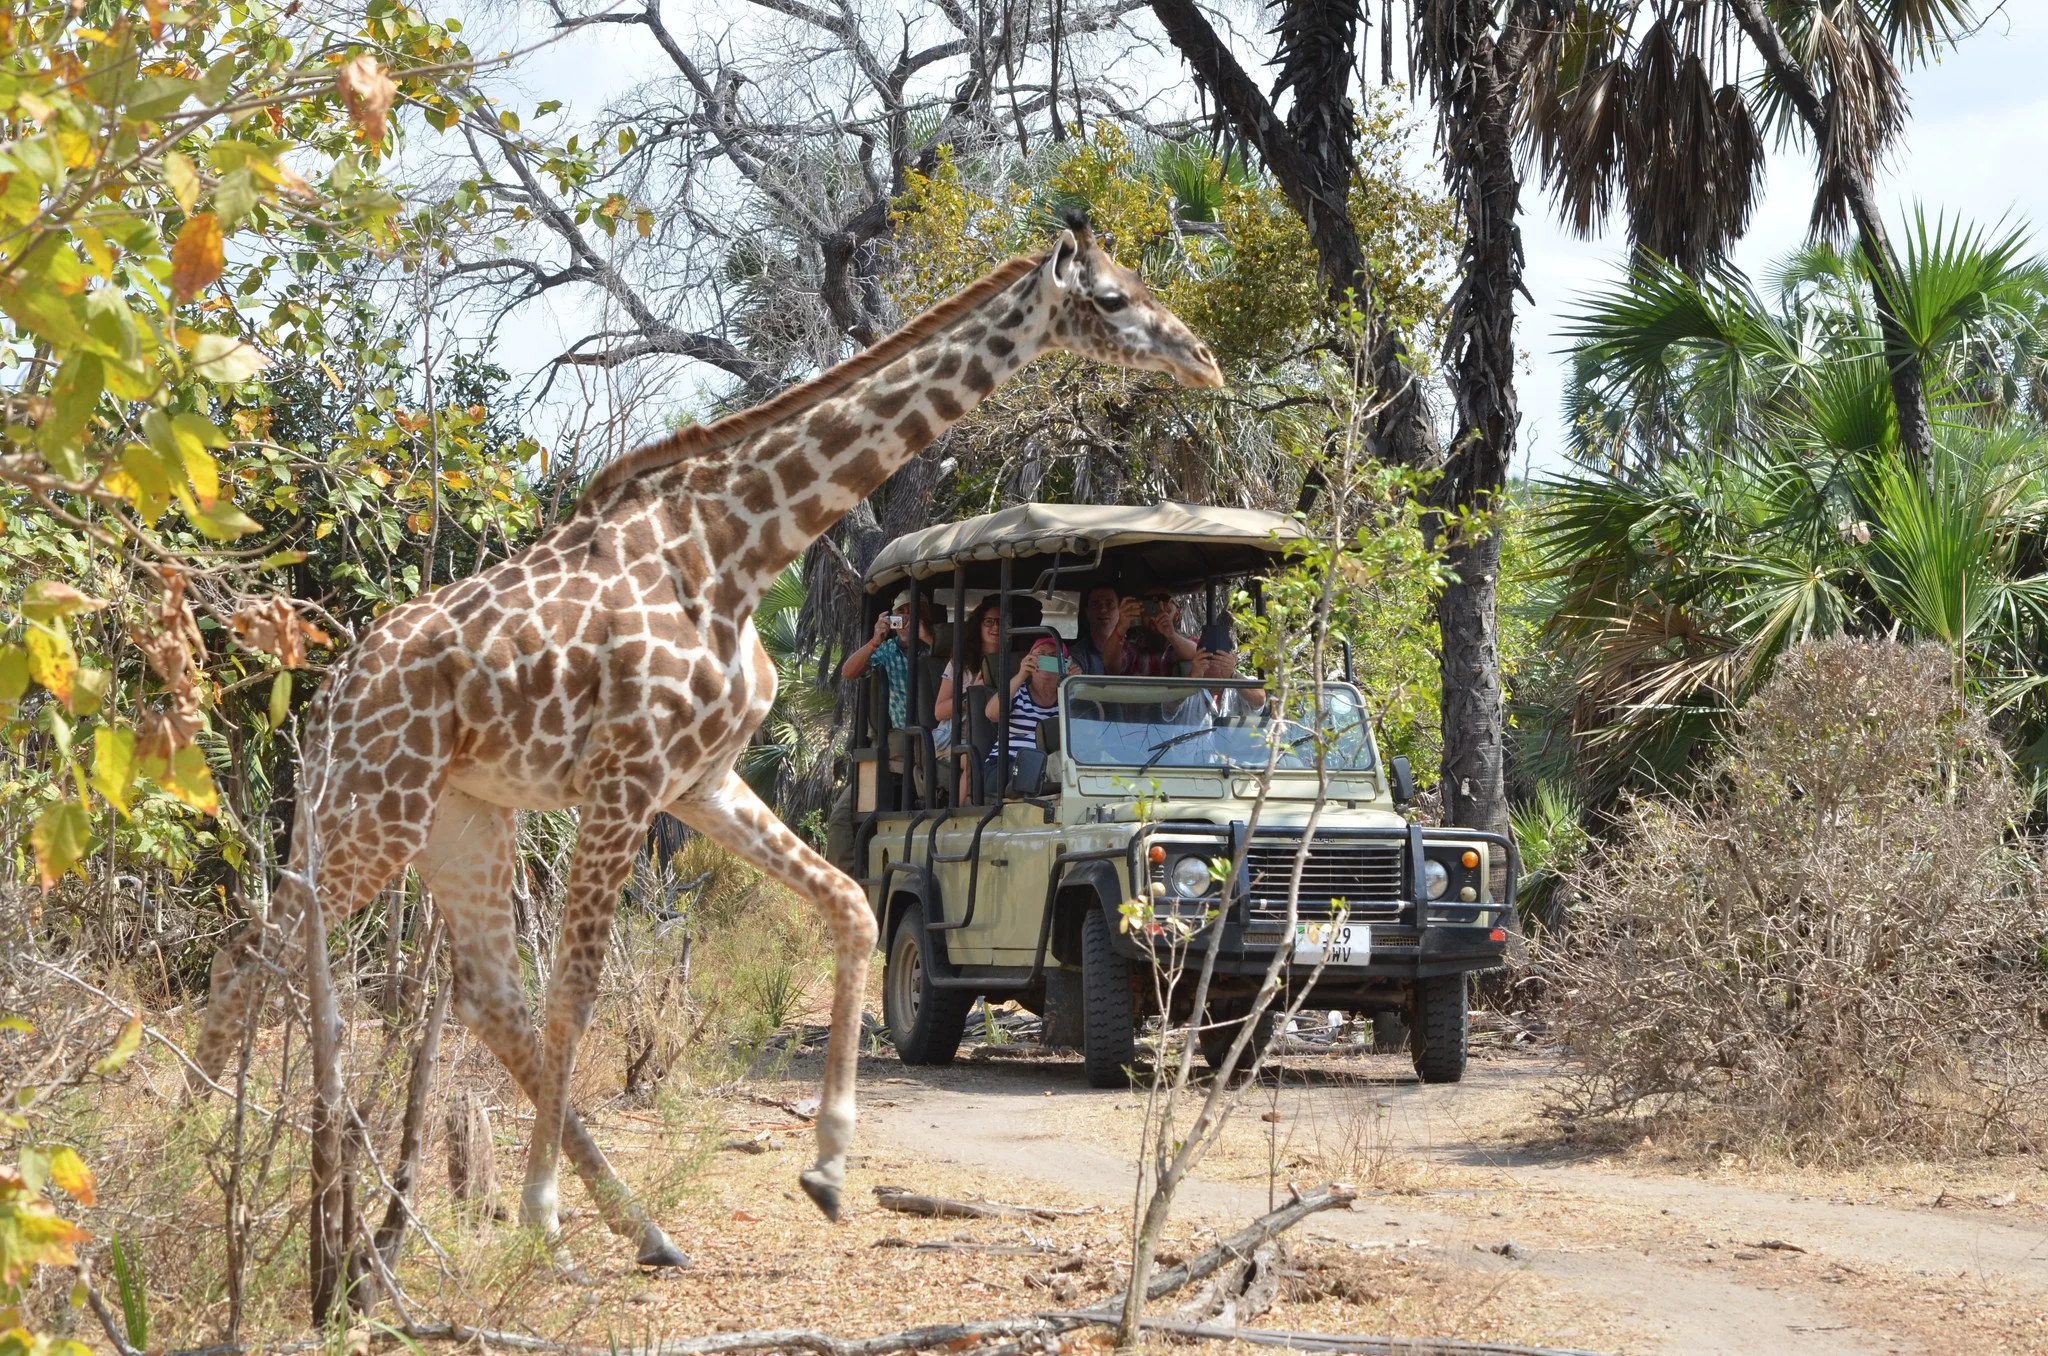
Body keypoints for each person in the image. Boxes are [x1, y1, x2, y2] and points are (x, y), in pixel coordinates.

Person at [840, 589, 935, 730]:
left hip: (943, 729)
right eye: (901, 613)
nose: (906, 619)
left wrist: (926, 637)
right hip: (905, 734)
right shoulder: (887, 650)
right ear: (892, 620)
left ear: (925, 617)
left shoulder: (939, 644)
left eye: (913, 612)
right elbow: (848, 673)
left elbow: (961, 665)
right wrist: (874, 641)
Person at [985, 637, 1073, 775]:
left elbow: (1093, 726)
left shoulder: (1069, 698)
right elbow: (992, 714)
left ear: (1065, 665)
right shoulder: (1017, 692)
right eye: (1040, 655)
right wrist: (1021, 675)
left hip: (1053, 767)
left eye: (1054, 657)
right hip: (1007, 765)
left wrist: (1079, 683)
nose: (1046, 659)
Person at [1070, 582, 1197, 676]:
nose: (1157, 613)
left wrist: (1171, 635)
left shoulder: (1183, 643)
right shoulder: (1134, 647)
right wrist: (1120, 628)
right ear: (1141, 613)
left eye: (1165, 605)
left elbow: (1197, 653)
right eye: (1150, 607)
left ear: (1177, 613)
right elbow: (1111, 665)